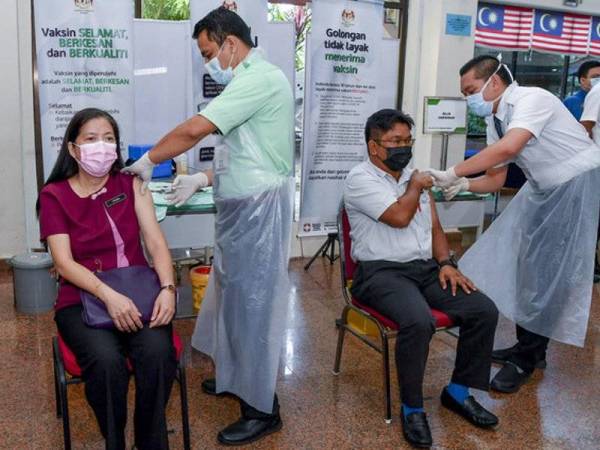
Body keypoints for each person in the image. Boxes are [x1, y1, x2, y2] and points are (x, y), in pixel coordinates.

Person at [123, 7, 294, 446]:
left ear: (231, 44)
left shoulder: (260, 78)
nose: (207, 62)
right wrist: (202, 178)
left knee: (253, 309)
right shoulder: (246, 83)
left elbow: (195, 129)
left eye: (208, 51)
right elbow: (246, 155)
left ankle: (262, 408)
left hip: (259, 211)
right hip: (241, 209)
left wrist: (148, 161)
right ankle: (235, 377)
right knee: (232, 299)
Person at [429, 55, 600, 394]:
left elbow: (511, 147)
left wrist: (454, 171)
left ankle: (528, 357)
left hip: (575, 184)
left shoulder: (531, 99)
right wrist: (462, 185)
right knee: (527, 267)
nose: (469, 99)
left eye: (471, 90)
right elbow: (495, 180)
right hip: (542, 188)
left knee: (545, 273)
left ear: (494, 81)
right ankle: (527, 349)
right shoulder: (496, 118)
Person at [345, 109, 499, 449]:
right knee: (418, 321)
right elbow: (400, 217)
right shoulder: (360, 179)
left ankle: (458, 392)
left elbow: (434, 228)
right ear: (374, 147)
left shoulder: (413, 177)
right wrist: (415, 186)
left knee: (482, 309)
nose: (404, 147)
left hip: (425, 268)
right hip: (379, 272)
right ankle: (412, 408)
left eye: (407, 140)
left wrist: (446, 262)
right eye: (395, 141)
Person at [37, 108, 178, 450]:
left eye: (109, 138)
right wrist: (108, 295)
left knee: (158, 353)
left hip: (140, 294)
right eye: (91, 139)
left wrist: (169, 288)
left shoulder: (131, 185)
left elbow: (155, 242)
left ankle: (150, 443)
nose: (101, 146)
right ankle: (114, 440)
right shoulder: (54, 196)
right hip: (81, 299)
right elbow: (64, 263)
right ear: (73, 148)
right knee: (106, 363)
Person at [579, 75, 600, 283]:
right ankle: (588, 264)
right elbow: (584, 126)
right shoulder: (598, 92)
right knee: (594, 218)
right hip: (597, 166)